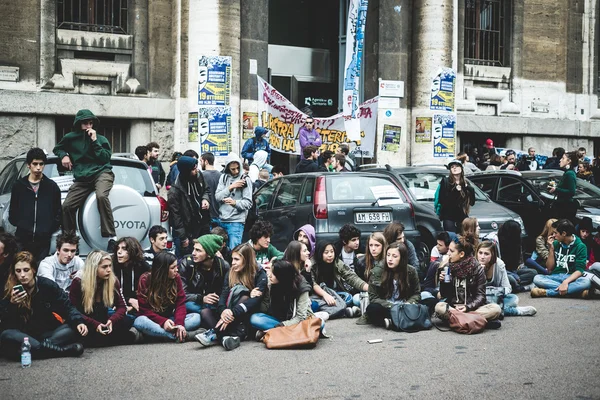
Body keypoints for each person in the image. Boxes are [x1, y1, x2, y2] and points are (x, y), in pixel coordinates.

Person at [0, 252, 86, 360]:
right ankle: (62, 351)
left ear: (34, 270)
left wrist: (78, 321)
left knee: (73, 327)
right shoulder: (9, 289)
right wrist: (11, 304)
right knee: (6, 335)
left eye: (26, 270)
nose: (22, 275)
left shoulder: (46, 285)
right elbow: (5, 322)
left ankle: (37, 349)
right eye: (18, 271)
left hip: (47, 333)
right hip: (23, 335)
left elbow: (67, 306)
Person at [52, 109, 117, 251]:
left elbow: (105, 158)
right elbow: (57, 148)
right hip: (82, 178)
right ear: (78, 124)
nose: (88, 126)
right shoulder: (71, 138)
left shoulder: (100, 139)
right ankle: (70, 239)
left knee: (101, 195)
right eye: (85, 123)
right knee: (67, 206)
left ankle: (111, 237)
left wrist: (94, 141)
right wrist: (64, 155)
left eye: (91, 123)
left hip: (102, 173)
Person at [195, 244, 267, 350]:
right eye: (232, 259)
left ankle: (215, 333)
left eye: (236, 259)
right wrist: (224, 311)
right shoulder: (231, 272)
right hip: (231, 310)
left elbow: (254, 301)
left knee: (245, 297)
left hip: (247, 313)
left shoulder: (260, 274)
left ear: (246, 260)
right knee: (205, 312)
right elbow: (223, 295)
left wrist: (232, 313)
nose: (233, 263)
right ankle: (226, 338)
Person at [69, 250, 139, 346]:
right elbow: (73, 311)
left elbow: (122, 306)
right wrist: (95, 324)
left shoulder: (113, 281)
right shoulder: (78, 282)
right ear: (94, 268)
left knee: (128, 320)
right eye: (104, 267)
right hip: (85, 320)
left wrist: (112, 320)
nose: (109, 270)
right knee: (79, 334)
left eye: (110, 266)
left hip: (104, 319)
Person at [133, 252, 202, 342]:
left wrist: (179, 324)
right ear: (162, 270)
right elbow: (144, 310)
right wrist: (163, 322)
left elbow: (180, 304)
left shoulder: (176, 278)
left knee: (196, 318)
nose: (176, 270)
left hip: (171, 320)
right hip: (153, 321)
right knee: (139, 321)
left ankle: (152, 335)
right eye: (173, 268)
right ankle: (184, 336)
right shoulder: (145, 279)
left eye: (176, 266)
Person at [9, 148, 62, 263]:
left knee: (40, 272)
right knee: (22, 269)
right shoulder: (19, 186)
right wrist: (22, 225)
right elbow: (13, 211)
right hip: (22, 239)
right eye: (35, 164)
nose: (38, 167)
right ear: (29, 165)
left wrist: (48, 229)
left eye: (41, 164)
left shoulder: (51, 187)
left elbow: (58, 212)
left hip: (43, 240)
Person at [434, 234, 502, 322]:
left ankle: (458, 320)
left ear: (461, 254)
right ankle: (474, 320)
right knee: (439, 307)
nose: (448, 253)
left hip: (472, 308)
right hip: (454, 308)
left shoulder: (477, 269)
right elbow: (444, 295)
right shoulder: (448, 267)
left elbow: (481, 297)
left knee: (495, 309)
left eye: (451, 251)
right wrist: (444, 282)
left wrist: (467, 307)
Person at [250, 260, 317, 339]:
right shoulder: (271, 284)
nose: (269, 275)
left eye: (273, 273)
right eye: (270, 271)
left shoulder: (301, 286)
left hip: (296, 322)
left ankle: (271, 332)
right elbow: (265, 309)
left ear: (282, 276)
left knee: (320, 324)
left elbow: (300, 317)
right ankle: (280, 332)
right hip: (278, 320)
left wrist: (282, 325)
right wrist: (254, 296)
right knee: (255, 318)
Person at [365, 242, 421, 329]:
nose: (390, 259)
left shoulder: (411, 271)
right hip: (387, 307)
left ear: (402, 258)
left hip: (405, 306)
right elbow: (373, 297)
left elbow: (416, 293)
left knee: (429, 301)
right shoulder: (377, 272)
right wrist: (392, 306)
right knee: (372, 308)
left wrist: (407, 304)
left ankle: (395, 321)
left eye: (394, 256)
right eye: (388, 255)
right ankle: (398, 321)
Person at [531, 219, 591, 298]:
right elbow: (549, 268)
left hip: (571, 278)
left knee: (586, 282)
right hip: (555, 276)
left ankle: (547, 292)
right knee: (537, 278)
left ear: (564, 233)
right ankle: (575, 292)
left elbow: (579, 270)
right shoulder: (555, 243)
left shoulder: (581, 246)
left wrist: (566, 282)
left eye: (556, 233)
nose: (553, 235)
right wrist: (551, 249)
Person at [310, 241, 368, 318]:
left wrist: (369, 288)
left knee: (348, 298)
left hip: (332, 292)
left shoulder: (337, 262)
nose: (330, 255)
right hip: (315, 294)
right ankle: (341, 312)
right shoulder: (312, 264)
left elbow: (351, 277)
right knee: (315, 305)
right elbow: (313, 283)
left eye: (332, 252)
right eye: (326, 252)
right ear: (320, 253)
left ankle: (337, 311)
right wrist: (325, 295)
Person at [477, 241, 537, 316]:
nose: (482, 257)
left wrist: (493, 292)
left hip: (496, 297)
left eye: (486, 254)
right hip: (479, 299)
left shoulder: (499, 264)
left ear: (493, 255)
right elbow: (472, 291)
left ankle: (497, 310)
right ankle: (517, 311)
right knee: (493, 306)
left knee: (513, 298)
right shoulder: (473, 265)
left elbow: (508, 288)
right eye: (480, 253)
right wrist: (479, 274)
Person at [168, 155, 211, 257]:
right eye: (193, 169)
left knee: (205, 254)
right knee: (189, 257)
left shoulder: (199, 176)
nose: (196, 170)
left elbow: (206, 189)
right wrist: (183, 237)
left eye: (196, 167)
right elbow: (176, 217)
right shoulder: (175, 191)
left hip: (203, 223)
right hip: (188, 229)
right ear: (186, 171)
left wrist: (205, 199)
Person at [178, 235, 230, 318]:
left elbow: (226, 290)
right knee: (196, 314)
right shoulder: (187, 264)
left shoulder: (223, 266)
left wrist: (220, 303)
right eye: (194, 249)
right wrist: (201, 298)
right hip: (193, 301)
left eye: (198, 250)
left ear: (209, 254)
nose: (193, 253)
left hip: (215, 303)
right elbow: (181, 293)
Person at [215, 153, 253, 249]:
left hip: (236, 221)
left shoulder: (245, 179)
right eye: (233, 169)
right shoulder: (223, 177)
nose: (236, 171)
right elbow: (218, 197)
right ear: (228, 168)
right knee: (221, 251)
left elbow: (248, 203)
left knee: (234, 251)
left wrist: (235, 203)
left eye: (237, 168)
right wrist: (231, 187)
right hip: (222, 219)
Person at [434, 158, 475, 232]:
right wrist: (456, 190)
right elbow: (442, 200)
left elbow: (472, 202)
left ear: (461, 169)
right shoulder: (445, 181)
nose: (454, 168)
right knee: (451, 239)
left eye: (456, 166)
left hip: (462, 217)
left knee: (465, 240)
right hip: (449, 217)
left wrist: (467, 188)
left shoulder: (465, 183)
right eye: (452, 167)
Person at [113, 237, 149, 320]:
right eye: (118, 248)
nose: (119, 252)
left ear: (132, 251)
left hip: (139, 307)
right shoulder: (112, 266)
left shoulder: (143, 266)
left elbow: (150, 292)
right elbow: (109, 293)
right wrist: (128, 301)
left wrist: (133, 306)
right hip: (117, 306)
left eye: (124, 249)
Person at [497, 220, 537, 292]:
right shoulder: (497, 243)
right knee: (511, 279)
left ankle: (514, 285)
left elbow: (519, 264)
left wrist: (516, 273)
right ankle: (520, 287)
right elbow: (498, 267)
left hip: (514, 271)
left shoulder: (517, 243)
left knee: (533, 273)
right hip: (502, 272)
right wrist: (513, 275)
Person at [549, 151, 579, 222]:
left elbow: (571, 192)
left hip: (565, 208)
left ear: (569, 161)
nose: (560, 160)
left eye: (563, 158)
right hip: (563, 206)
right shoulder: (567, 172)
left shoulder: (570, 173)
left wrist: (556, 189)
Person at [200, 152, 222, 228]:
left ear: (206, 161)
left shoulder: (202, 176)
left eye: (201, 161)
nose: (200, 164)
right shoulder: (220, 175)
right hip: (220, 213)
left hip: (208, 214)